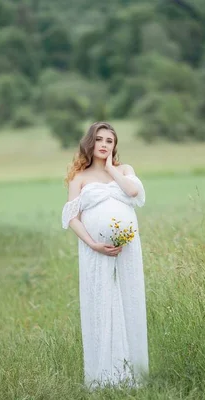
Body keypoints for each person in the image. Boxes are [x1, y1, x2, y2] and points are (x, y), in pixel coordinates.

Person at [61, 121, 149, 390]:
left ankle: (133, 374)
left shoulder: (124, 170)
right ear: (90, 142)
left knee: (128, 301)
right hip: (95, 251)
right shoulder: (80, 177)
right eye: (99, 139)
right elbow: (72, 218)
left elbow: (133, 192)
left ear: (114, 146)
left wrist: (111, 168)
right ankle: (103, 377)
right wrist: (93, 243)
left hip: (127, 249)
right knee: (100, 302)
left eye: (109, 141)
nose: (103, 144)